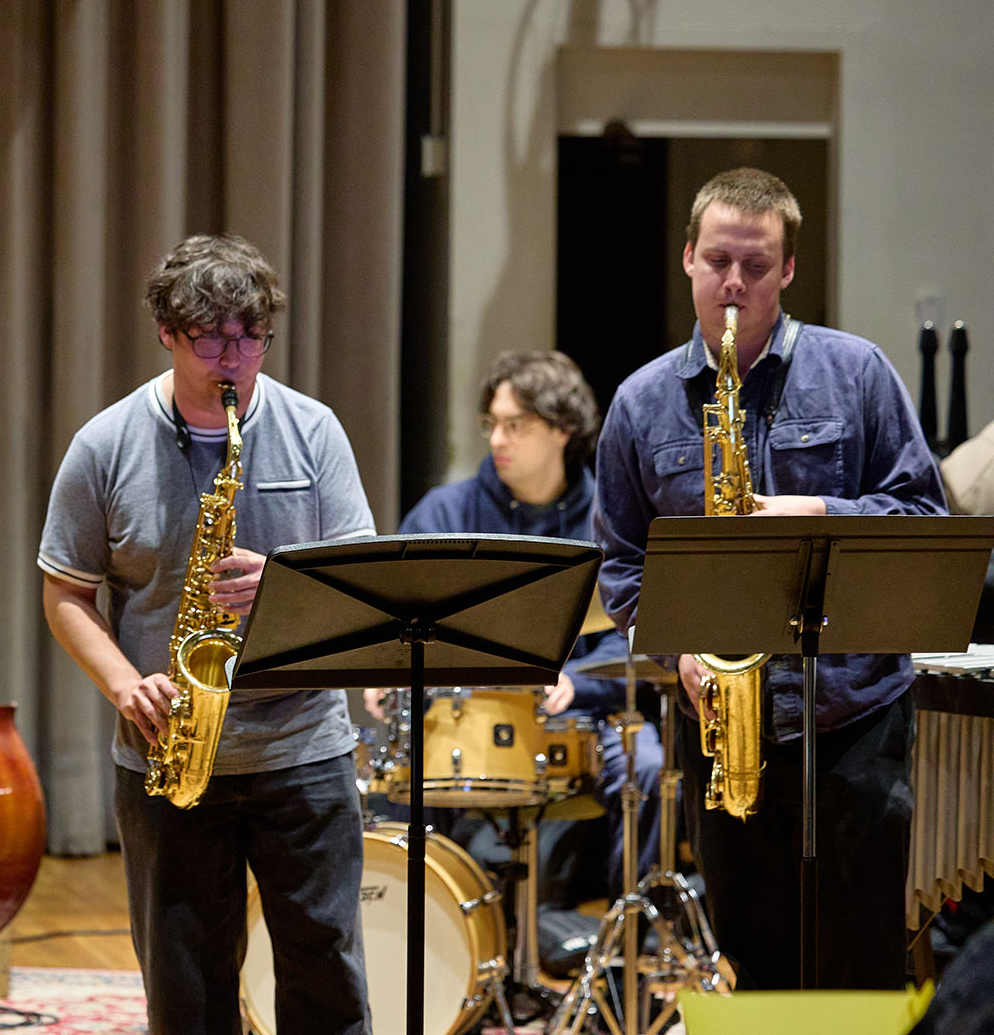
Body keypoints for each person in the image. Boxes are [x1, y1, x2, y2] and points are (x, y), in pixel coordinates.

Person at [594, 167, 947, 990]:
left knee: (860, 963)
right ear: (687, 257)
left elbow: (922, 515)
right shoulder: (641, 403)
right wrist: (677, 651)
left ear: (788, 270)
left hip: (855, 716)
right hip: (721, 721)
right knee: (755, 966)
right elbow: (620, 565)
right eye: (718, 259)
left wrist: (815, 509)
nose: (734, 283)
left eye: (757, 265)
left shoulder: (857, 372)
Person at [39, 234, 377, 1035]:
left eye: (251, 336)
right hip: (167, 754)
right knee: (184, 997)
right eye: (213, 339)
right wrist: (123, 685)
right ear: (166, 332)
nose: (236, 359)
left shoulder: (312, 430)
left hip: (302, 749)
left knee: (326, 978)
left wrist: (287, 582)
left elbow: (363, 582)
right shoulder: (105, 444)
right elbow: (65, 596)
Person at [374, 351, 661, 900]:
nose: (497, 440)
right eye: (492, 424)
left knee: (646, 767)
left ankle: (627, 938)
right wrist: (385, 673)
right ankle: (436, 935)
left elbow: (643, 641)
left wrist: (579, 682)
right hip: (461, 714)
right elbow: (391, 616)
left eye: (516, 425)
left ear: (562, 431)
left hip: (580, 717)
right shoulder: (445, 515)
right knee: (400, 773)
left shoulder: (612, 517)